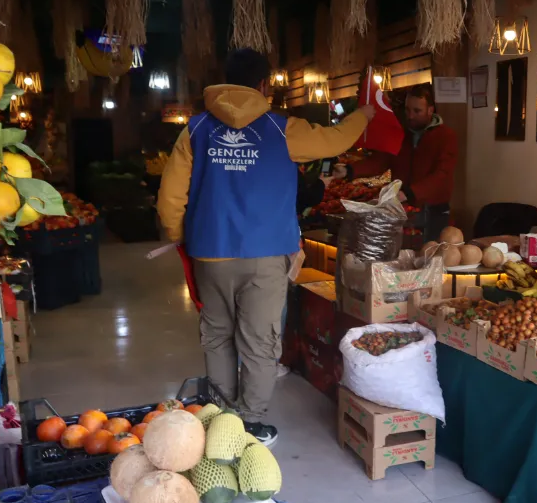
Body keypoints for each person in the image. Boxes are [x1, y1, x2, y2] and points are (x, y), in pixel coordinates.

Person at [157, 48, 374, 446]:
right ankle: (249, 423)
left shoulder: (195, 130)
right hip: (267, 253)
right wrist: (364, 114)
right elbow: (336, 140)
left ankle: (223, 420)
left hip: (211, 252)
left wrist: (181, 236)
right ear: (262, 85)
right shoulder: (281, 129)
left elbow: (170, 198)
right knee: (259, 341)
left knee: (218, 335)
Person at [337, 84, 458, 241]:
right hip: (402, 210)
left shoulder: (446, 136)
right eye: (408, 110)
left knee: (430, 257)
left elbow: (441, 174)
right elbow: (380, 161)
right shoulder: (400, 134)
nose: (411, 116)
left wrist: (410, 192)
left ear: (430, 110)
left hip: (434, 211)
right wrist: (349, 170)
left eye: (417, 111)